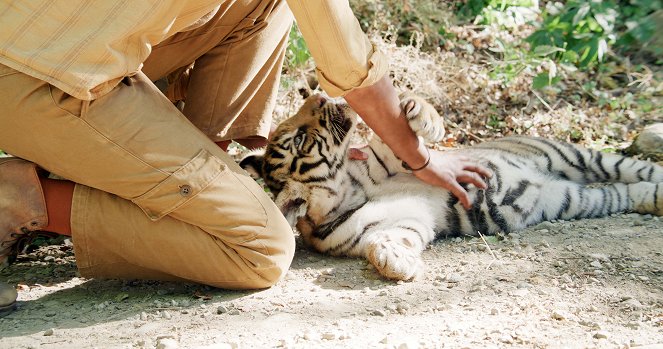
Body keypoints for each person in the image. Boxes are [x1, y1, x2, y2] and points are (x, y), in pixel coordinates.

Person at [0, 0, 491, 316]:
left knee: (267, 4)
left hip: (44, 42)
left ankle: (193, 169)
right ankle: (22, 200)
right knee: (261, 251)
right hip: (45, 82)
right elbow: (348, 63)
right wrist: (420, 157)